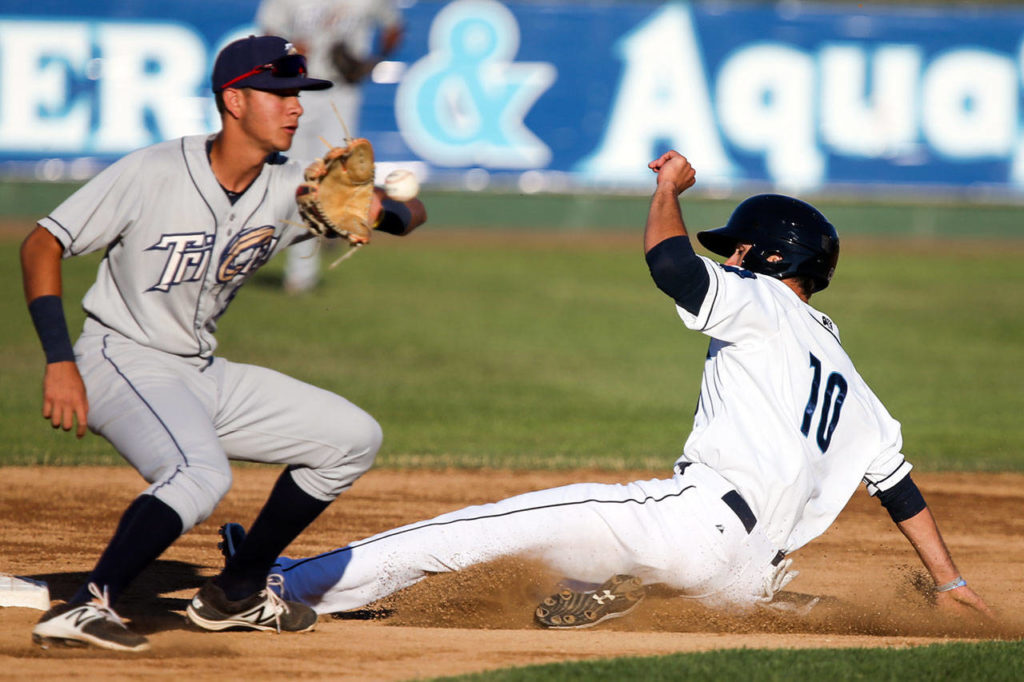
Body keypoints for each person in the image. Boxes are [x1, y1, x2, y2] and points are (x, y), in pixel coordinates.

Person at [214, 151, 993, 630]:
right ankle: (619, 590)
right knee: (605, 565)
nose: (734, 258)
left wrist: (669, 189)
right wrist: (950, 582)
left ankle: (271, 582)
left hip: (694, 527)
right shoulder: (849, 376)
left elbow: (672, 266)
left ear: (764, 256)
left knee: (471, 532)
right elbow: (899, 490)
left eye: (741, 249)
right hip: (745, 576)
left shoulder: (757, 301)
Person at [21, 35, 426, 652]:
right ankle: (86, 605)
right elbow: (42, 243)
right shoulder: (153, 170)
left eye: (299, 96)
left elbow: (409, 214)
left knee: (351, 438)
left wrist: (390, 209)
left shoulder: (292, 189)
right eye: (281, 94)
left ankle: (235, 592)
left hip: (200, 371)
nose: (296, 108)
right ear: (235, 100)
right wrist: (58, 360)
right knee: (198, 473)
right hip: (119, 358)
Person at [256, 0, 404, 294]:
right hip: (299, 87)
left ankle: (309, 262)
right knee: (295, 179)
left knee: (331, 177)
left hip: (342, 90)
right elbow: (268, 31)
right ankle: (291, 269)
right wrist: (286, 49)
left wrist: (376, 58)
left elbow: (394, 26)